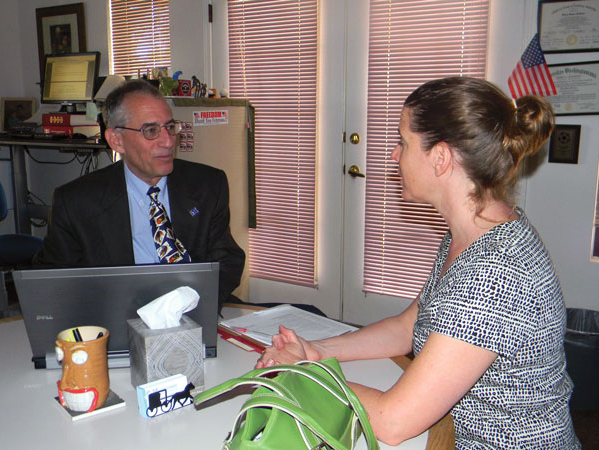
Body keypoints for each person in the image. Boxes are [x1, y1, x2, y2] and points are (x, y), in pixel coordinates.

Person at [257, 77, 580, 449]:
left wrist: (304, 371)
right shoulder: (473, 232)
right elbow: (409, 325)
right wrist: (320, 350)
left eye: (403, 142)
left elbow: (394, 422)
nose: (395, 155)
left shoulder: (495, 272)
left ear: (440, 158)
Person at [33, 80, 245, 311]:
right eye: (151, 130)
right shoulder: (77, 201)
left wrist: (193, 306)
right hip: (119, 317)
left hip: (194, 310)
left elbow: (227, 259)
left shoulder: (207, 184)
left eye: (170, 127)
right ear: (117, 140)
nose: (168, 141)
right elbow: (53, 281)